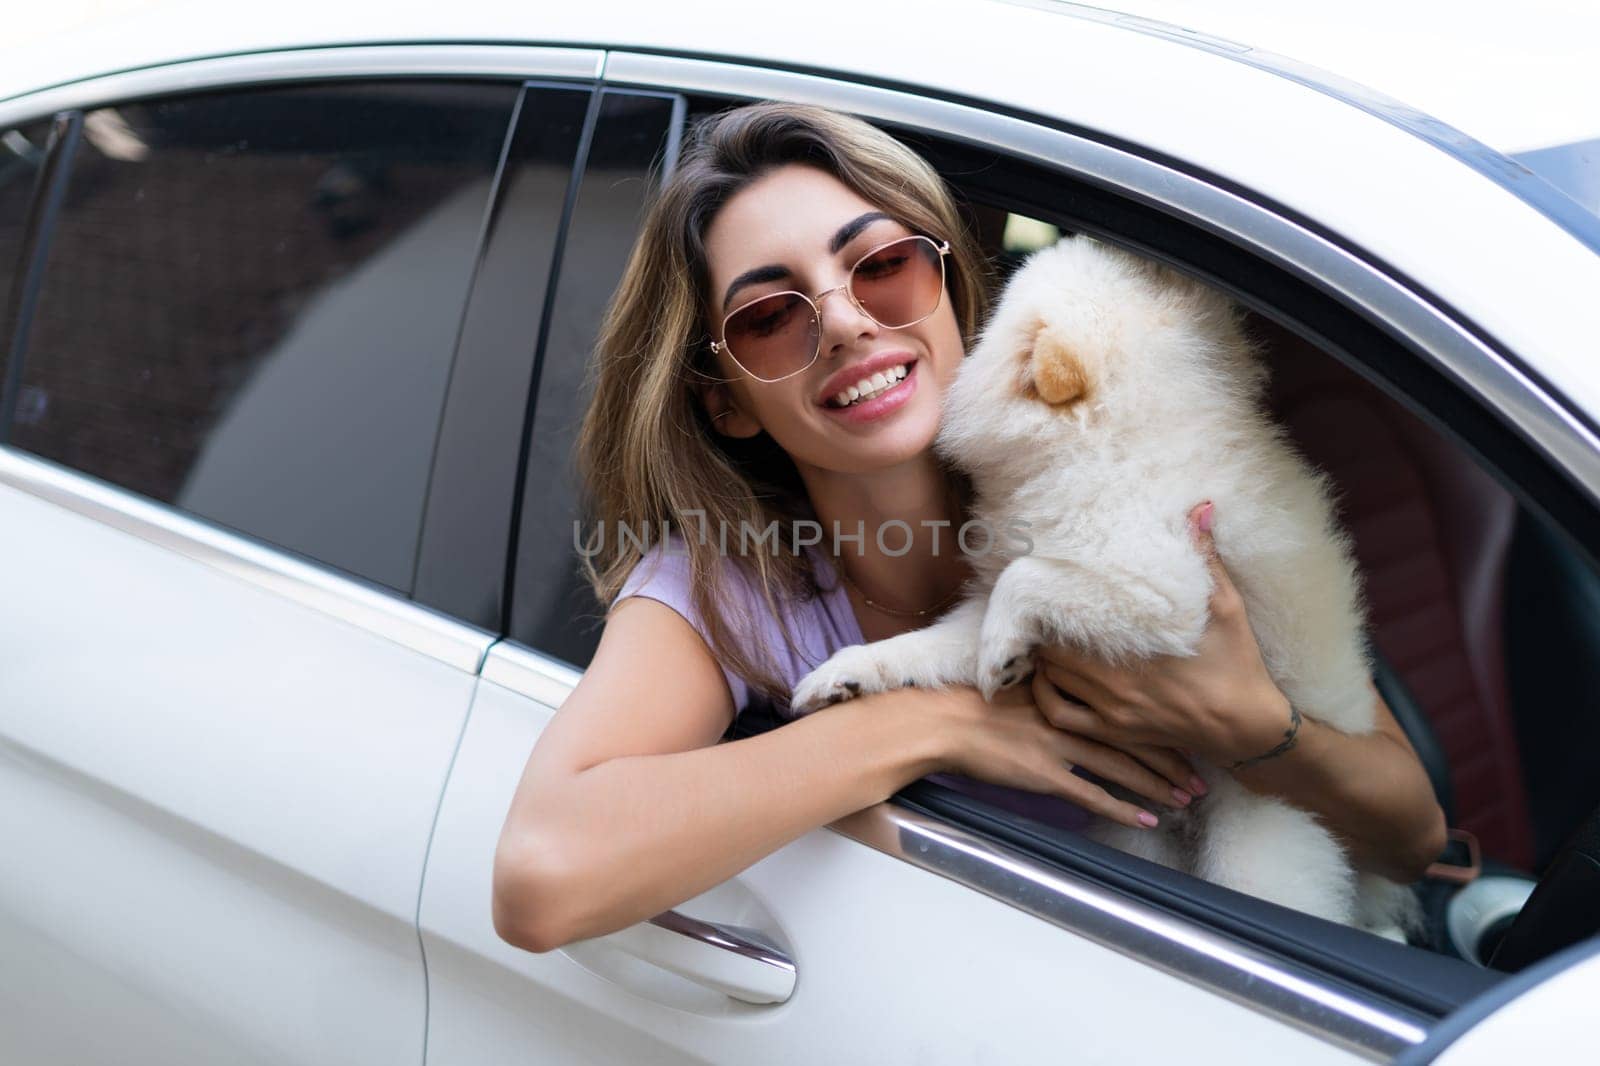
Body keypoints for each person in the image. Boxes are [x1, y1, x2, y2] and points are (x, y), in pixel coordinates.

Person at [490, 101, 1447, 954]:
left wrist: (1254, 730)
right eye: (772, 315)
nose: (847, 325)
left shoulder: (1119, 467)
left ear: (953, 290)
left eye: (885, 265)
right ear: (727, 400)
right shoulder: (734, 581)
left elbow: (1414, 838)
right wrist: (937, 720)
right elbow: (540, 877)